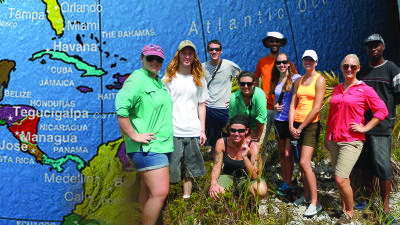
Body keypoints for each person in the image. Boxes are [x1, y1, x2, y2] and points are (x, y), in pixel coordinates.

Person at [326, 54, 388, 224]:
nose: (349, 69)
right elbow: (332, 115)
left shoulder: (365, 89)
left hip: (352, 140)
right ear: (341, 67)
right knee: (342, 179)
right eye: (346, 66)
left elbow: (382, 111)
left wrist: (365, 128)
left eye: (353, 67)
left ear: (358, 69)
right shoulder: (338, 88)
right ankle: (345, 207)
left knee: (340, 177)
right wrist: (327, 136)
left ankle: (350, 212)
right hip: (333, 139)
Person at [115, 44, 173, 225]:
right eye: (150, 58)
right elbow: (121, 108)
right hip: (148, 148)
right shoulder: (137, 79)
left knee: (147, 192)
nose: (155, 62)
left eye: (159, 59)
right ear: (142, 59)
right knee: (160, 192)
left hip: (161, 145)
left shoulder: (157, 81)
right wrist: (134, 135)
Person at [354, 34, 400, 223]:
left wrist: (388, 115)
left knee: (383, 166)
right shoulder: (362, 71)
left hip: (382, 126)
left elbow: (397, 96)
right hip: (361, 126)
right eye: (369, 46)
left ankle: (386, 207)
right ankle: (367, 199)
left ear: (383, 46)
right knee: (365, 165)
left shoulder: (392, 69)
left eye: (376, 45)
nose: (373, 48)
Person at [163, 40, 208, 200]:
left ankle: (186, 200)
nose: (187, 56)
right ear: (178, 54)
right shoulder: (168, 78)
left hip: (193, 130)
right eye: (184, 53)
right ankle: (166, 201)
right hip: (173, 130)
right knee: (171, 168)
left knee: (191, 169)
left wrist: (202, 130)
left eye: (190, 53)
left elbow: (201, 105)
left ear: (194, 56)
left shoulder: (200, 79)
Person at [289, 50, 326, 217]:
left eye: (311, 60)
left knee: (305, 162)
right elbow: (292, 104)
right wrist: (291, 125)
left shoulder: (320, 80)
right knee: (301, 164)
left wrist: (301, 127)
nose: (308, 62)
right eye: (305, 60)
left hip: (310, 125)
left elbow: (317, 108)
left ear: (316, 62)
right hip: (296, 124)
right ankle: (306, 196)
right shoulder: (300, 79)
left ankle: (315, 202)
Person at [208, 114, 268, 199]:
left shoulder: (253, 147)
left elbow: (255, 176)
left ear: (246, 131)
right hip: (227, 175)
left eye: (240, 131)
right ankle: (228, 206)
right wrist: (213, 183)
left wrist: (245, 157)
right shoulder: (221, 143)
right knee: (217, 192)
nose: (236, 134)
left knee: (260, 189)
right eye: (233, 130)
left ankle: (249, 204)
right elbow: (216, 166)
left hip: (246, 178)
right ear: (229, 130)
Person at [255, 32, 297, 143]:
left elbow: (296, 85)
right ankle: (258, 161)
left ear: (281, 43)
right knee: (260, 142)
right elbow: (254, 81)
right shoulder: (262, 62)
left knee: (283, 144)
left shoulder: (288, 64)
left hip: (283, 110)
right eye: (272, 41)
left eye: (277, 41)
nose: (274, 43)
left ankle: (283, 161)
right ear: (267, 43)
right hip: (265, 108)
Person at [269, 53, 301, 196]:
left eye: (284, 62)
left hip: (291, 121)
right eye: (279, 63)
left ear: (289, 63)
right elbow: (275, 100)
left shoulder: (296, 78)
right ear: (276, 65)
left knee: (289, 153)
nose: (281, 65)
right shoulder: (275, 79)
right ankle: (285, 181)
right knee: (282, 153)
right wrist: (276, 107)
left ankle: (288, 182)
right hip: (279, 120)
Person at [202, 39, 241, 150]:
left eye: (217, 49)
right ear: (208, 51)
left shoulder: (229, 65)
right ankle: (217, 165)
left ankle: (230, 165)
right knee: (213, 144)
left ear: (221, 51)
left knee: (230, 141)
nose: (214, 51)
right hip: (209, 110)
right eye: (211, 49)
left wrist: (237, 97)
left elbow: (244, 79)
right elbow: (194, 85)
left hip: (226, 110)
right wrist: (199, 100)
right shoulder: (202, 67)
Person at [229, 71, 267, 142]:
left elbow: (261, 118)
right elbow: (234, 119)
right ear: (238, 84)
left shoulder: (259, 95)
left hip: (258, 126)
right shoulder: (234, 97)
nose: (246, 87)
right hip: (241, 128)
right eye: (242, 84)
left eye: (249, 84)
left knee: (255, 148)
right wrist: (245, 134)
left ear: (253, 84)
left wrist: (258, 135)